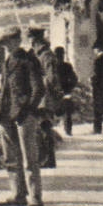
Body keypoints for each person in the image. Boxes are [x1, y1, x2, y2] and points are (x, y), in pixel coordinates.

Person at [0, 26, 45, 206]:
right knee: (11, 157)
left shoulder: (28, 60)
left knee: (29, 158)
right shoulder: (7, 61)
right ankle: (18, 194)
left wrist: (28, 109)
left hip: (23, 115)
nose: (7, 46)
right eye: (4, 43)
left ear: (17, 41)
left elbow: (38, 89)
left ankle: (35, 197)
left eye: (10, 41)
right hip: (6, 114)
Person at [30, 30, 60, 169]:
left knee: (44, 127)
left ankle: (48, 159)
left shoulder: (46, 55)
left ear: (37, 41)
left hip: (44, 96)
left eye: (33, 41)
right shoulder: (40, 54)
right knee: (42, 128)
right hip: (41, 95)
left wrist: (46, 90)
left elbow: (51, 77)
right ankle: (45, 158)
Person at [54, 46, 79, 135]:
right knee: (66, 111)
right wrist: (70, 88)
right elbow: (74, 79)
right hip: (65, 91)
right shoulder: (67, 66)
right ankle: (68, 130)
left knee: (63, 110)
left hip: (56, 91)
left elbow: (74, 78)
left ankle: (66, 130)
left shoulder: (53, 66)